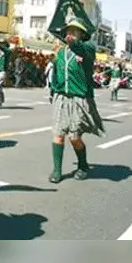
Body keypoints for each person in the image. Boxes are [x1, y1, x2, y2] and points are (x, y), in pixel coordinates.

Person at [49, 17, 106, 184]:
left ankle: (82, 164)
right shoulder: (60, 52)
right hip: (61, 96)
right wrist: (53, 90)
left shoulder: (87, 49)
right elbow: (56, 72)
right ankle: (57, 170)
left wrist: (74, 44)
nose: (71, 33)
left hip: (79, 98)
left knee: (74, 137)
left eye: (75, 31)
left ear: (82, 34)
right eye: (69, 30)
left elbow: (82, 50)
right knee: (58, 134)